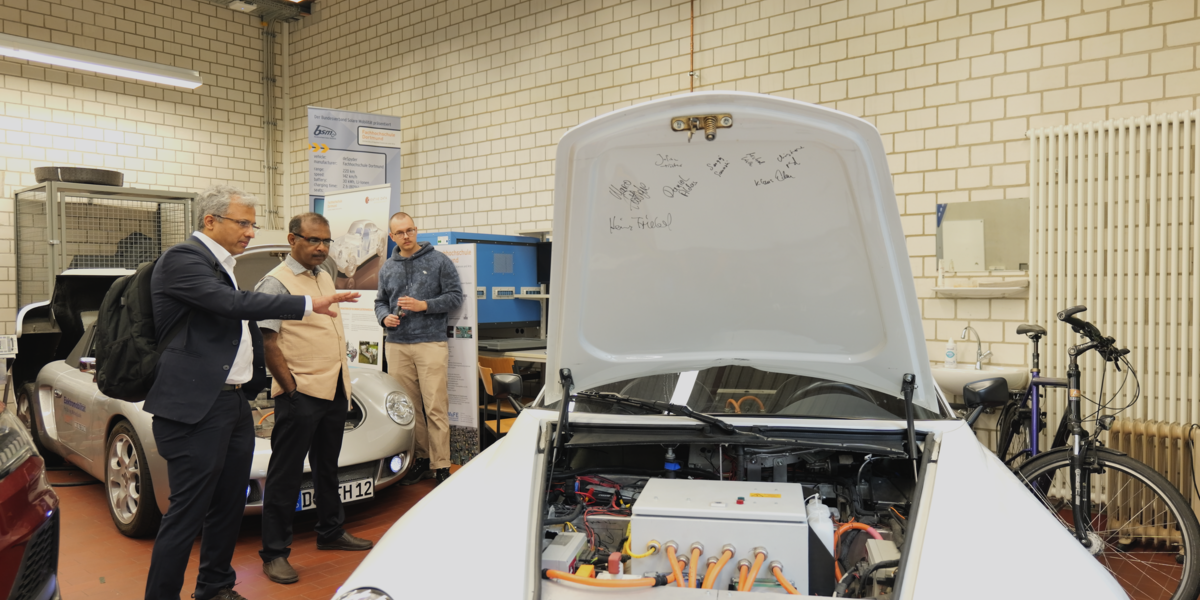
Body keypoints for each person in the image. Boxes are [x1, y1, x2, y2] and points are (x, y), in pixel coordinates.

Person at [143, 186, 359, 600]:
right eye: (243, 223)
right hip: (194, 408)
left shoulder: (222, 264)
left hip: (232, 402)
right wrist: (308, 305)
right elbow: (229, 304)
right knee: (187, 514)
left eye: (251, 224)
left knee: (228, 505)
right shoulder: (183, 259)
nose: (250, 232)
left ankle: (215, 587)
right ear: (210, 221)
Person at [255, 213, 374, 585]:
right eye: (313, 241)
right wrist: (291, 390)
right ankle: (274, 553)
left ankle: (330, 531)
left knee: (327, 467)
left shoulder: (324, 274)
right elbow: (268, 343)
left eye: (326, 241)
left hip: (334, 389)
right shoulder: (274, 283)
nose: (322, 248)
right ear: (293, 240)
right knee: (285, 476)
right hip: (300, 394)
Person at [375, 212, 463, 485]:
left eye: (410, 230)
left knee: (435, 406)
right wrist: (383, 317)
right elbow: (380, 301)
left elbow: (455, 296)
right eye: (400, 233)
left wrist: (425, 305)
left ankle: (441, 464)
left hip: (430, 343)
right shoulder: (387, 268)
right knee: (410, 409)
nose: (406, 236)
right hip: (398, 345)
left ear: (416, 230)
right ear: (392, 237)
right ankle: (421, 459)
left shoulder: (438, 261)